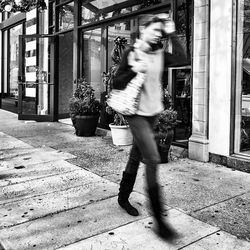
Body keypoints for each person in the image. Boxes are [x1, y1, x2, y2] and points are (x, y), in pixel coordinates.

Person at [112, 14, 189, 240]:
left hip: (153, 114)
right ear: (144, 30)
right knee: (153, 159)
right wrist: (135, 68)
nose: (157, 33)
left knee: (136, 156)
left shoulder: (160, 54)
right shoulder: (132, 52)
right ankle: (159, 222)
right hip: (135, 114)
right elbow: (116, 83)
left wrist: (173, 33)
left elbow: (184, 59)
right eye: (153, 29)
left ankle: (122, 197)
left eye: (160, 31)